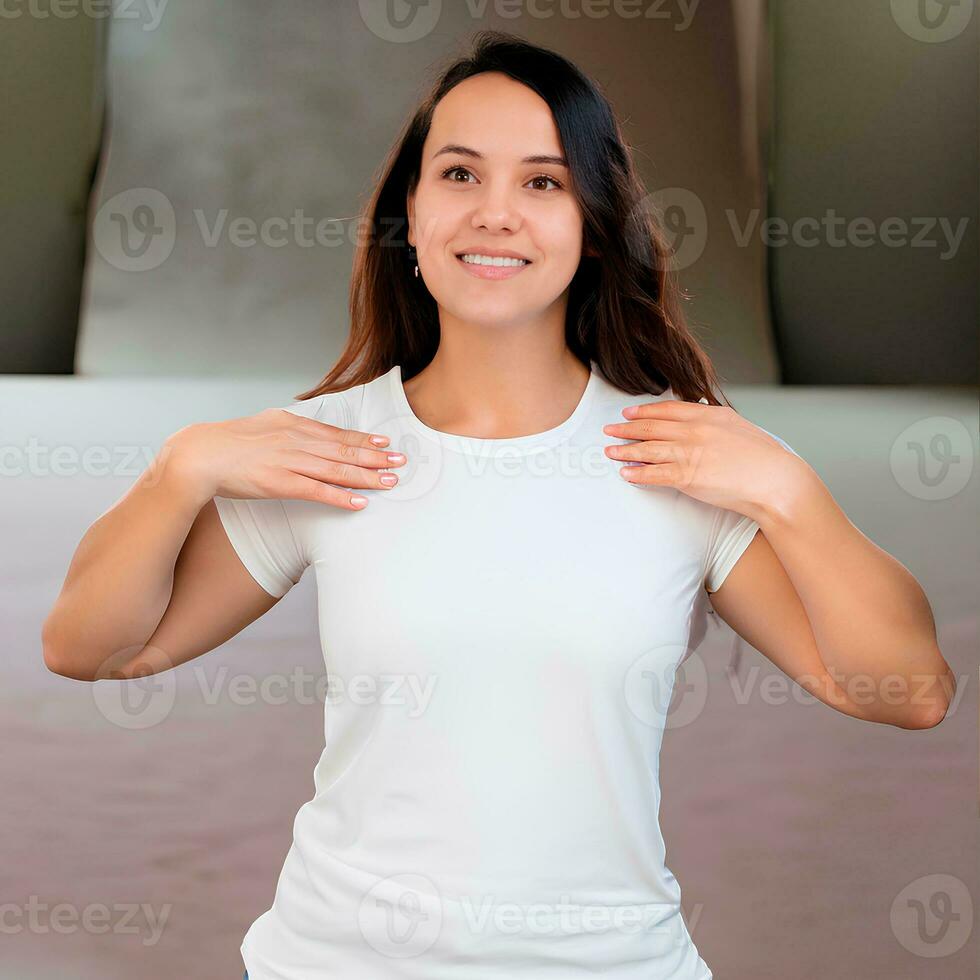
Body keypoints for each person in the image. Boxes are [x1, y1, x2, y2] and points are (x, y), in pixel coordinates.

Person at [43, 29, 955, 980]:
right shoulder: (335, 448)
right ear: (412, 207)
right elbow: (90, 646)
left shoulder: (677, 454)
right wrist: (177, 471)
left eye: (543, 183)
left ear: (594, 220)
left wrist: (793, 493)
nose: (495, 215)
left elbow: (906, 691)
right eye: (460, 174)